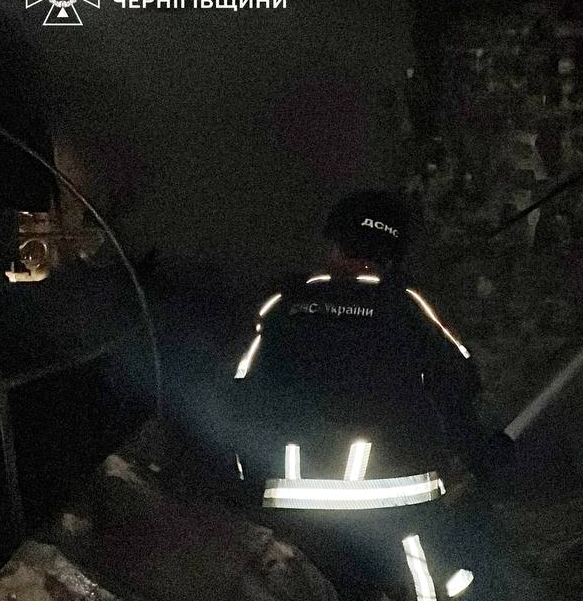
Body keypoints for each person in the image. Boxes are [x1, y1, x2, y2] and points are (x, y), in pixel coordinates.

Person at [223, 189, 521, 600]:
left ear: (334, 242)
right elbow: (458, 385)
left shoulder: (282, 305)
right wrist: (479, 452)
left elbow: (239, 392)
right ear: (393, 253)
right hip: (397, 512)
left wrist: (239, 481)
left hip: (293, 514)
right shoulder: (406, 306)